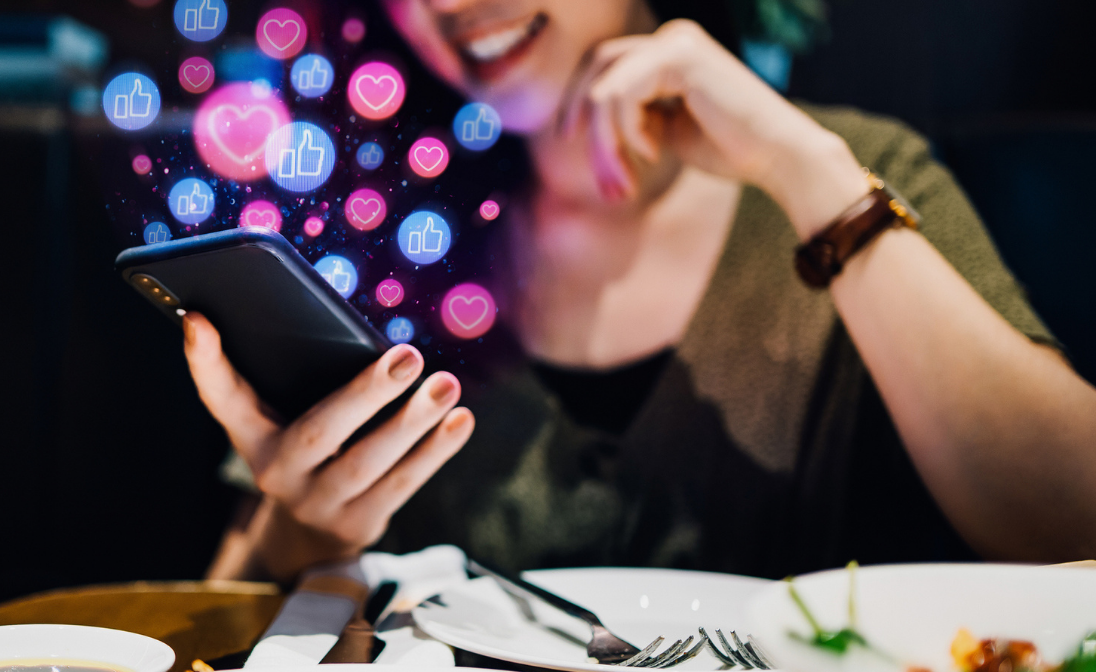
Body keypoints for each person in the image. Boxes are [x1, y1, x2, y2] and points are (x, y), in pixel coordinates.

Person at [187, 0, 1096, 583]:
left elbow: (1071, 522)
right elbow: (230, 598)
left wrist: (808, 175)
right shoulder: (390, 231)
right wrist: (303, 527)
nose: (452, 4)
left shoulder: (855, 172)